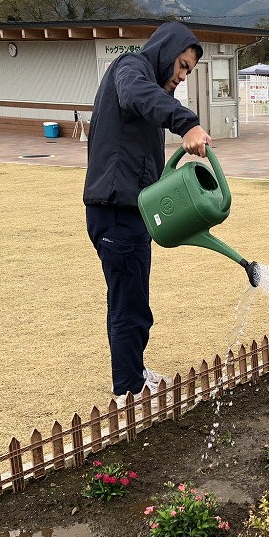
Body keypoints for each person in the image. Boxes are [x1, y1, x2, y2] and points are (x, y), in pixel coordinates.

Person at [84, 22, 211, 402]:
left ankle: (134, 373)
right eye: (182, 65)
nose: (182, 76)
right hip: (115, 213)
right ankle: (127, 391)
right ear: (166, 50)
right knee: (128, 303)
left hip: (130, 212)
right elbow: (139, 94)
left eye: (188, 71)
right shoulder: (130, 69)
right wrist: (186, 121)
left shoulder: (146, 84)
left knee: (134, 298)